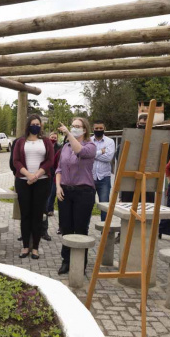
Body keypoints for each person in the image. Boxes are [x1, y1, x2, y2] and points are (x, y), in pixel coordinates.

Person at [56, 117, 97, 276]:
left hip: (83, 192)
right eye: (72, 126)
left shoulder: (90, 146)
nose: (73, 128)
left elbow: (79, 150)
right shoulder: (65, 147)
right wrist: (58, 186)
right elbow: (59, 169)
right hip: (66, 191)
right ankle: (66, 260)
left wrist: (68, 133)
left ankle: (80, 263)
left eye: (77, 127)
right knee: (66, 227)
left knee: (80, 229)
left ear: (85, 130)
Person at [13, 115, 56, 259]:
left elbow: (50, 160)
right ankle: (25, 246)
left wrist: (36, 175)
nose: (36, 126)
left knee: (38, 215)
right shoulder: (20, 141)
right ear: (28, 125)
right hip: (23, 181)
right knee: (25, 214)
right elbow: (16, 161)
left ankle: (36, 247)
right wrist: (28, 175)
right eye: (33, 124)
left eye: (38, 124)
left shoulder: (46, 142)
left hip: (42, 181)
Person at [91, 121, 116, 221]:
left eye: (100, 128)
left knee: (105, 206)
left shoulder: (110, 142)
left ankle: (105, 231)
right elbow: (85, 155)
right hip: (89, 177)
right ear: (93, 129)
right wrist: (101, 151)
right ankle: (84, 231)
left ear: (104, 128)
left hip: (104, 177)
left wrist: (92, 154)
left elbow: (109, 158)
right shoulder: (89, 140)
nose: (98, 130)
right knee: (87, 205)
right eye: (96, 128)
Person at [43, 131, 64, 240]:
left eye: (55, 137)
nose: (53, 139)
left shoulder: (60, 148)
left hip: (55, 176)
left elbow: (56, 162)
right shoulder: (44, 145)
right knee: (47, 199)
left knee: (55, 197)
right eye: (52, 137)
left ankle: (58, 227)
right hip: (44, 175)